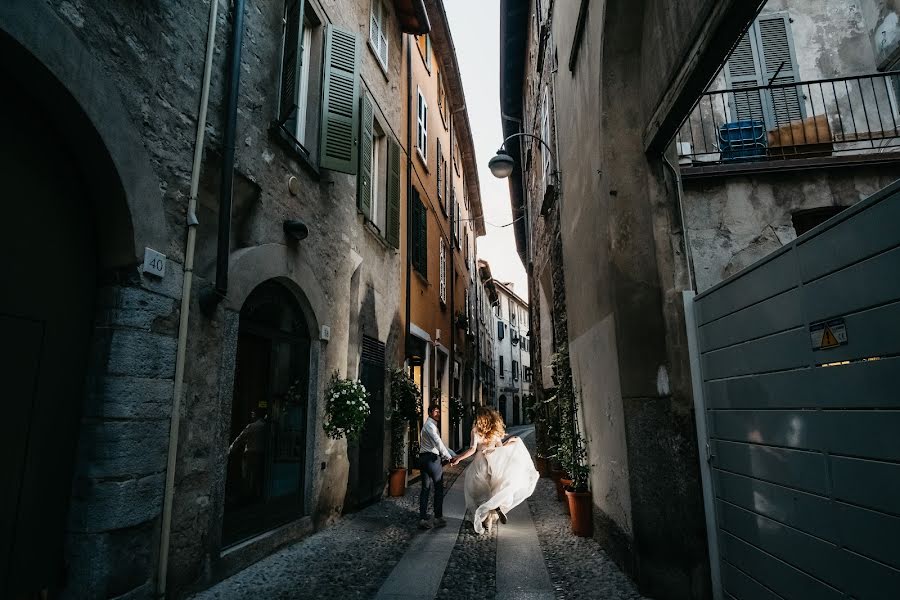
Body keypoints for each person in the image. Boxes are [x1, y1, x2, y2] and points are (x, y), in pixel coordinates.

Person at [451, 407, 539, 534]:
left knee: (476, 491)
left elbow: (472, 449)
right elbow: (500, 449)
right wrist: (511, 442)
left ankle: (480, 518)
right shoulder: (495, 432)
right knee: (492, 490)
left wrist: (459, 458)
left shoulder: (475, 431)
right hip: (493, 463)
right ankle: (490, 520)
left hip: (480, 463)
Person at [418, 403, 454, 529]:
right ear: (429, 412)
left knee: (425, 489)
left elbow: (441, 444)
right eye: (435, 411)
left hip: (424, 459)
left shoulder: (430, 425)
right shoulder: (430, 426)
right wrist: (448, 457)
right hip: (432, 459)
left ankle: (423, 518)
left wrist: (453, 454)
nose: (438, 414)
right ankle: (438, 518)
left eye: (439, 411)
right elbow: (438, 442)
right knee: (438, 488)